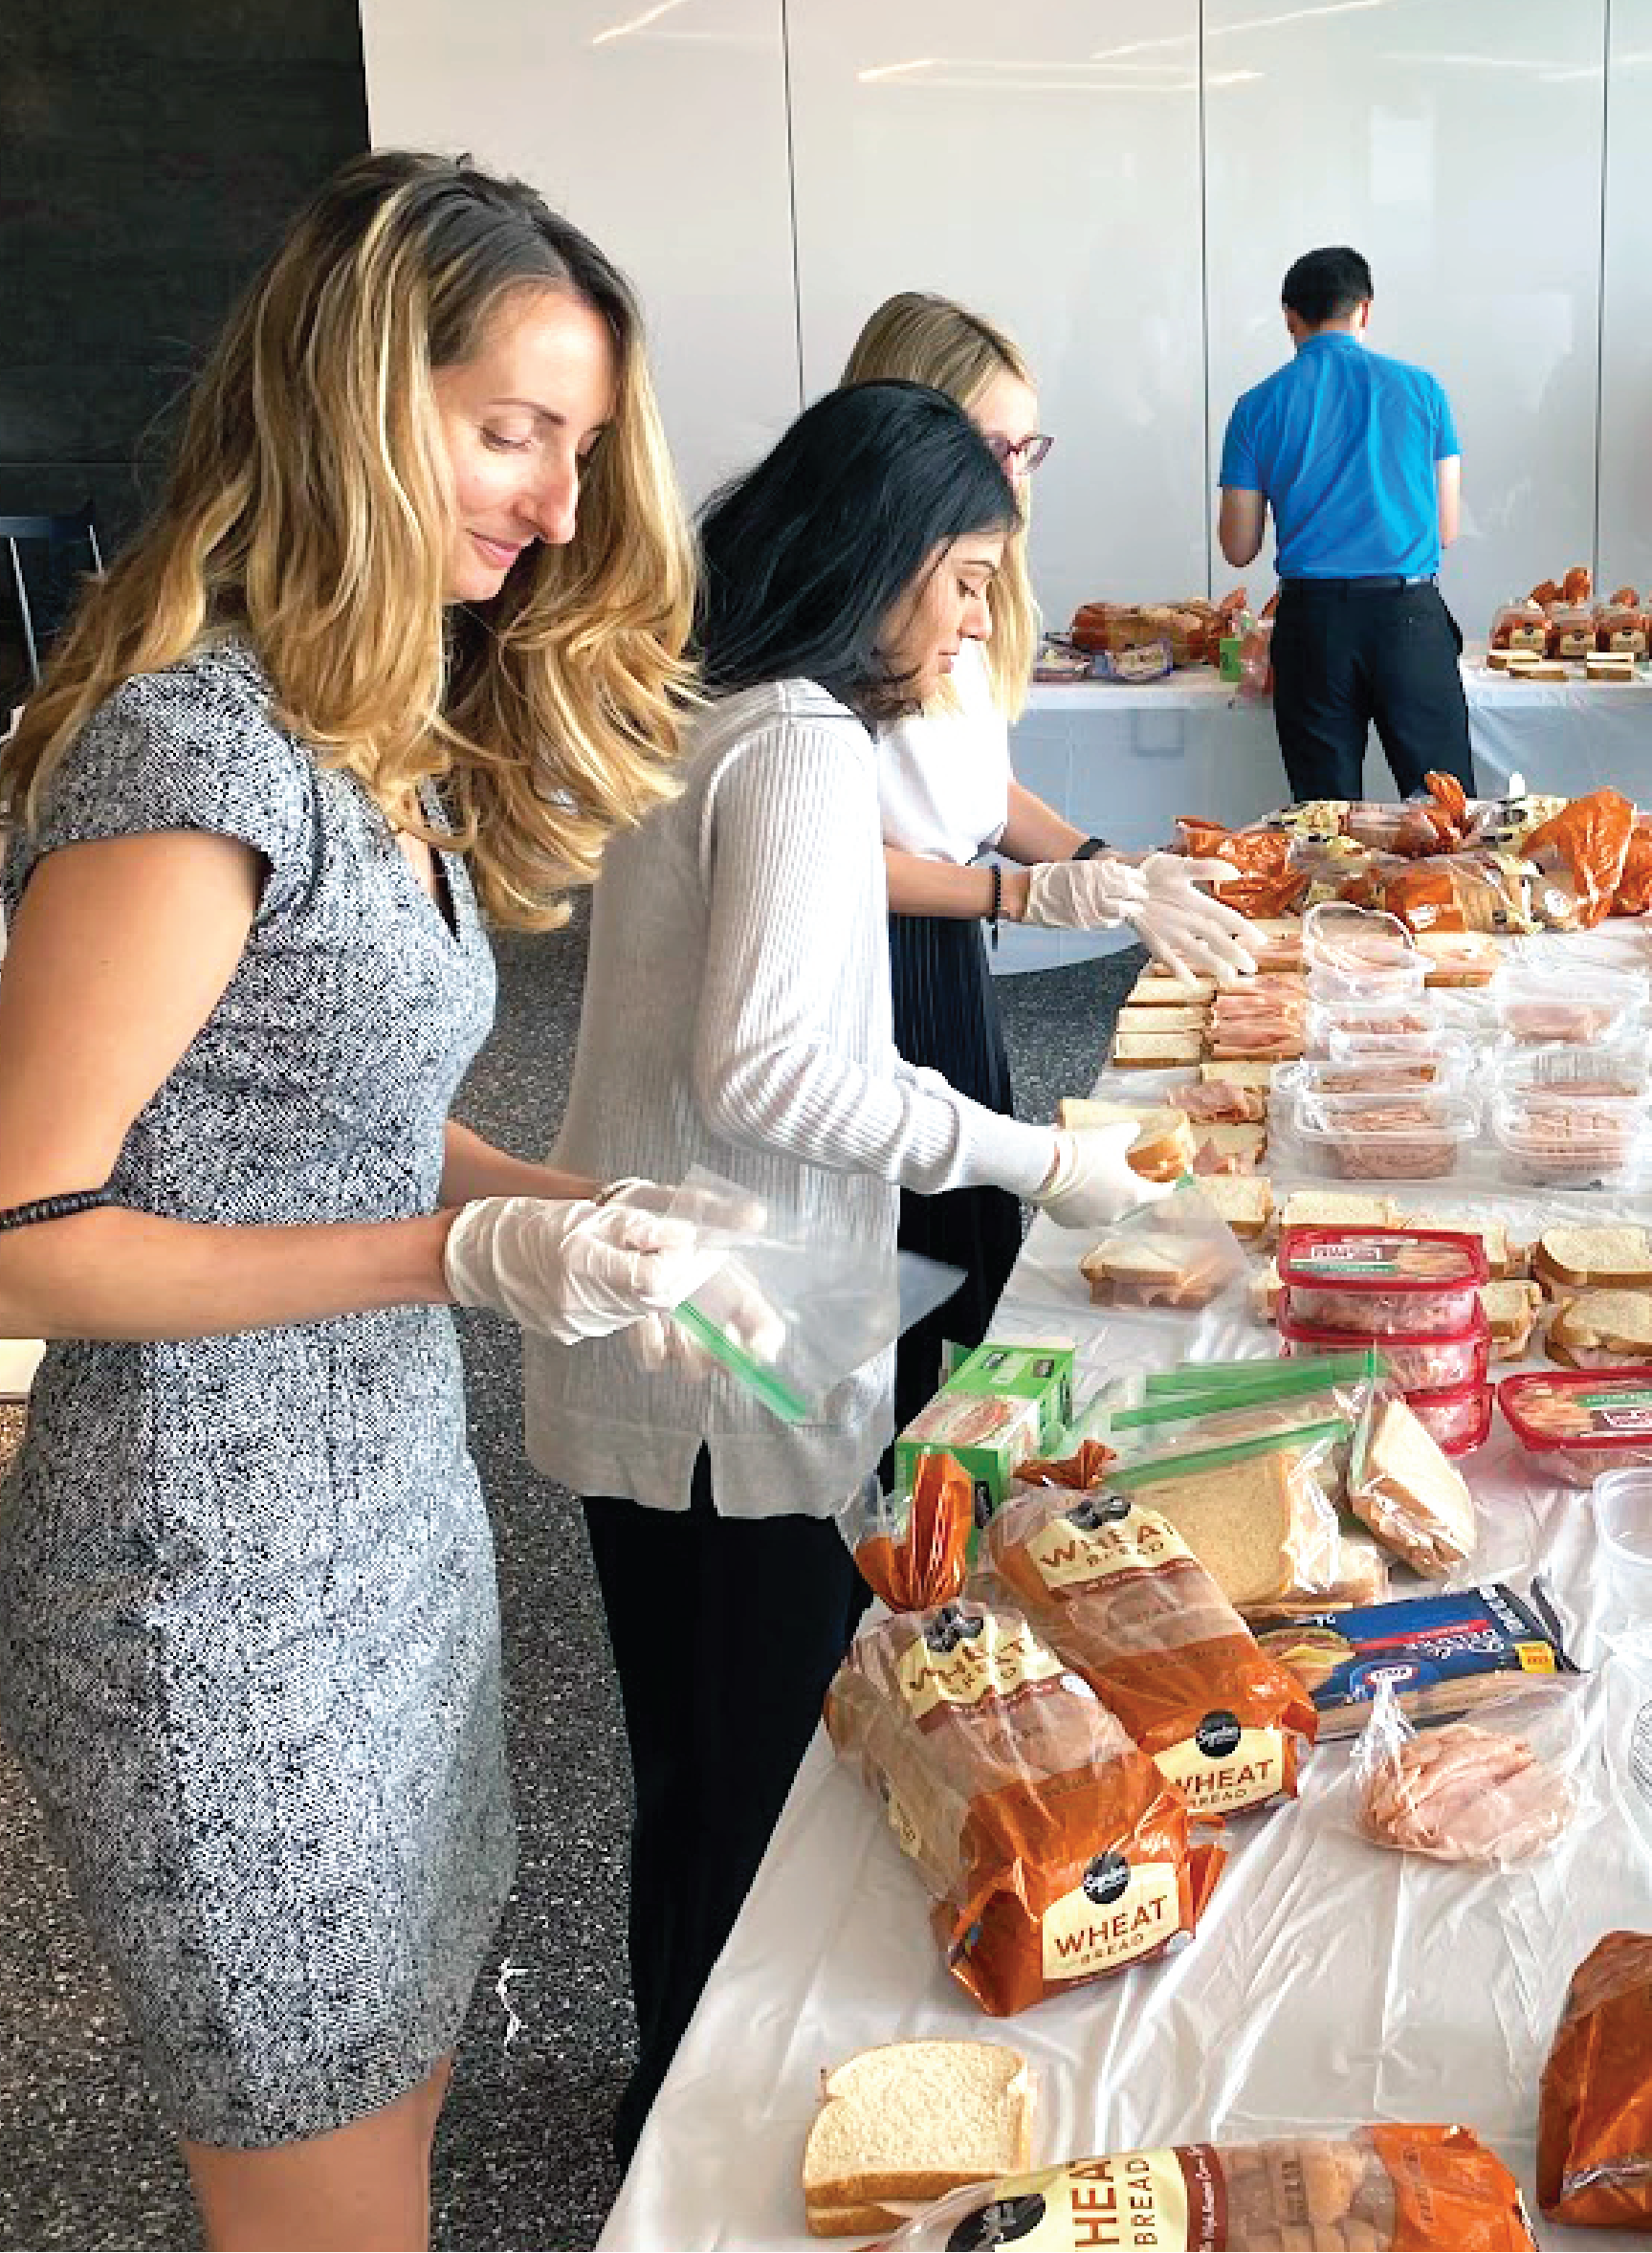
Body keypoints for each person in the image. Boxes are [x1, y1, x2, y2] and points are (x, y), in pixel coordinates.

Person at [0, 151, 716, 2248]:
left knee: (387, 2115)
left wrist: (554, 1199)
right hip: (205, 1586)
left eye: (578, 451)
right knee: (316, 2187)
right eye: (515, 432)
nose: (559, 504)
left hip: (386, 1526)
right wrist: (453, 1250)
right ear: (351, 401)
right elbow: (22, 1231)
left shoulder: (365, 738)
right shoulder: (192, 759)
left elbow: (357, 1122)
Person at [522, 380, 1169, 2160]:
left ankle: (672, 2096)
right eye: (963, 580)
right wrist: (1041, 1156)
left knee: (699, 1756)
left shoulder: (710, 691)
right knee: (758, 1771)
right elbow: (779, 1072)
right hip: (725, 1322)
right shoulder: (799, 731)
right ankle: (712, 2144)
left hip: (670, 1301)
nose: (971, 622)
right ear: (880, 552)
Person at [837, 293, 1254, 1423]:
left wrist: (1115, 865)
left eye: (1029, 447)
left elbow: (982, 788)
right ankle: (877, 1521)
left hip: (948, 955)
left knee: (974, 1263)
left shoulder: (974, 594)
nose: (1015, 476)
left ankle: (949, 1515)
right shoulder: (851, 612)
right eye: (990, 446)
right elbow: (825, 856)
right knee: (890, 1281)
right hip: (864, 964)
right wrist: (1021, 890)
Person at [1218, 245, 1471, 801]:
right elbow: (1446, 529)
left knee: (1326, 825)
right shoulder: (1423, 391)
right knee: (1448, 816)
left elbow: (1238, 547)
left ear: (1289, 318)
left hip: (1314, 627)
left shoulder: (1256, 407)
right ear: (1365, 310)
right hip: (1409, 619)